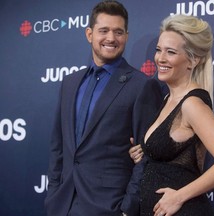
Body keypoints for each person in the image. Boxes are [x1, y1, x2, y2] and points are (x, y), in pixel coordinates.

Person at [44, 1, 162, 215]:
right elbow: (58, 145)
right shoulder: (70, 83)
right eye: (104, 30)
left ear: (126, 36)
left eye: (118, 32)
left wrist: (128, 207)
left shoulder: (141, 85)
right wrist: (53, 192)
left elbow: (147, 154)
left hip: (109, 206)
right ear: (89, 34)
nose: (111, 38)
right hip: (63, 204)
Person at [129, 15, 214, 216]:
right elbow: (175, 156)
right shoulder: (168, 99)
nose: (160, 58)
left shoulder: (192, 104)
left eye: (170, 52)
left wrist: (179, 196)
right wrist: (145, 152)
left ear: (193, 60)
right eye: (158, 49)